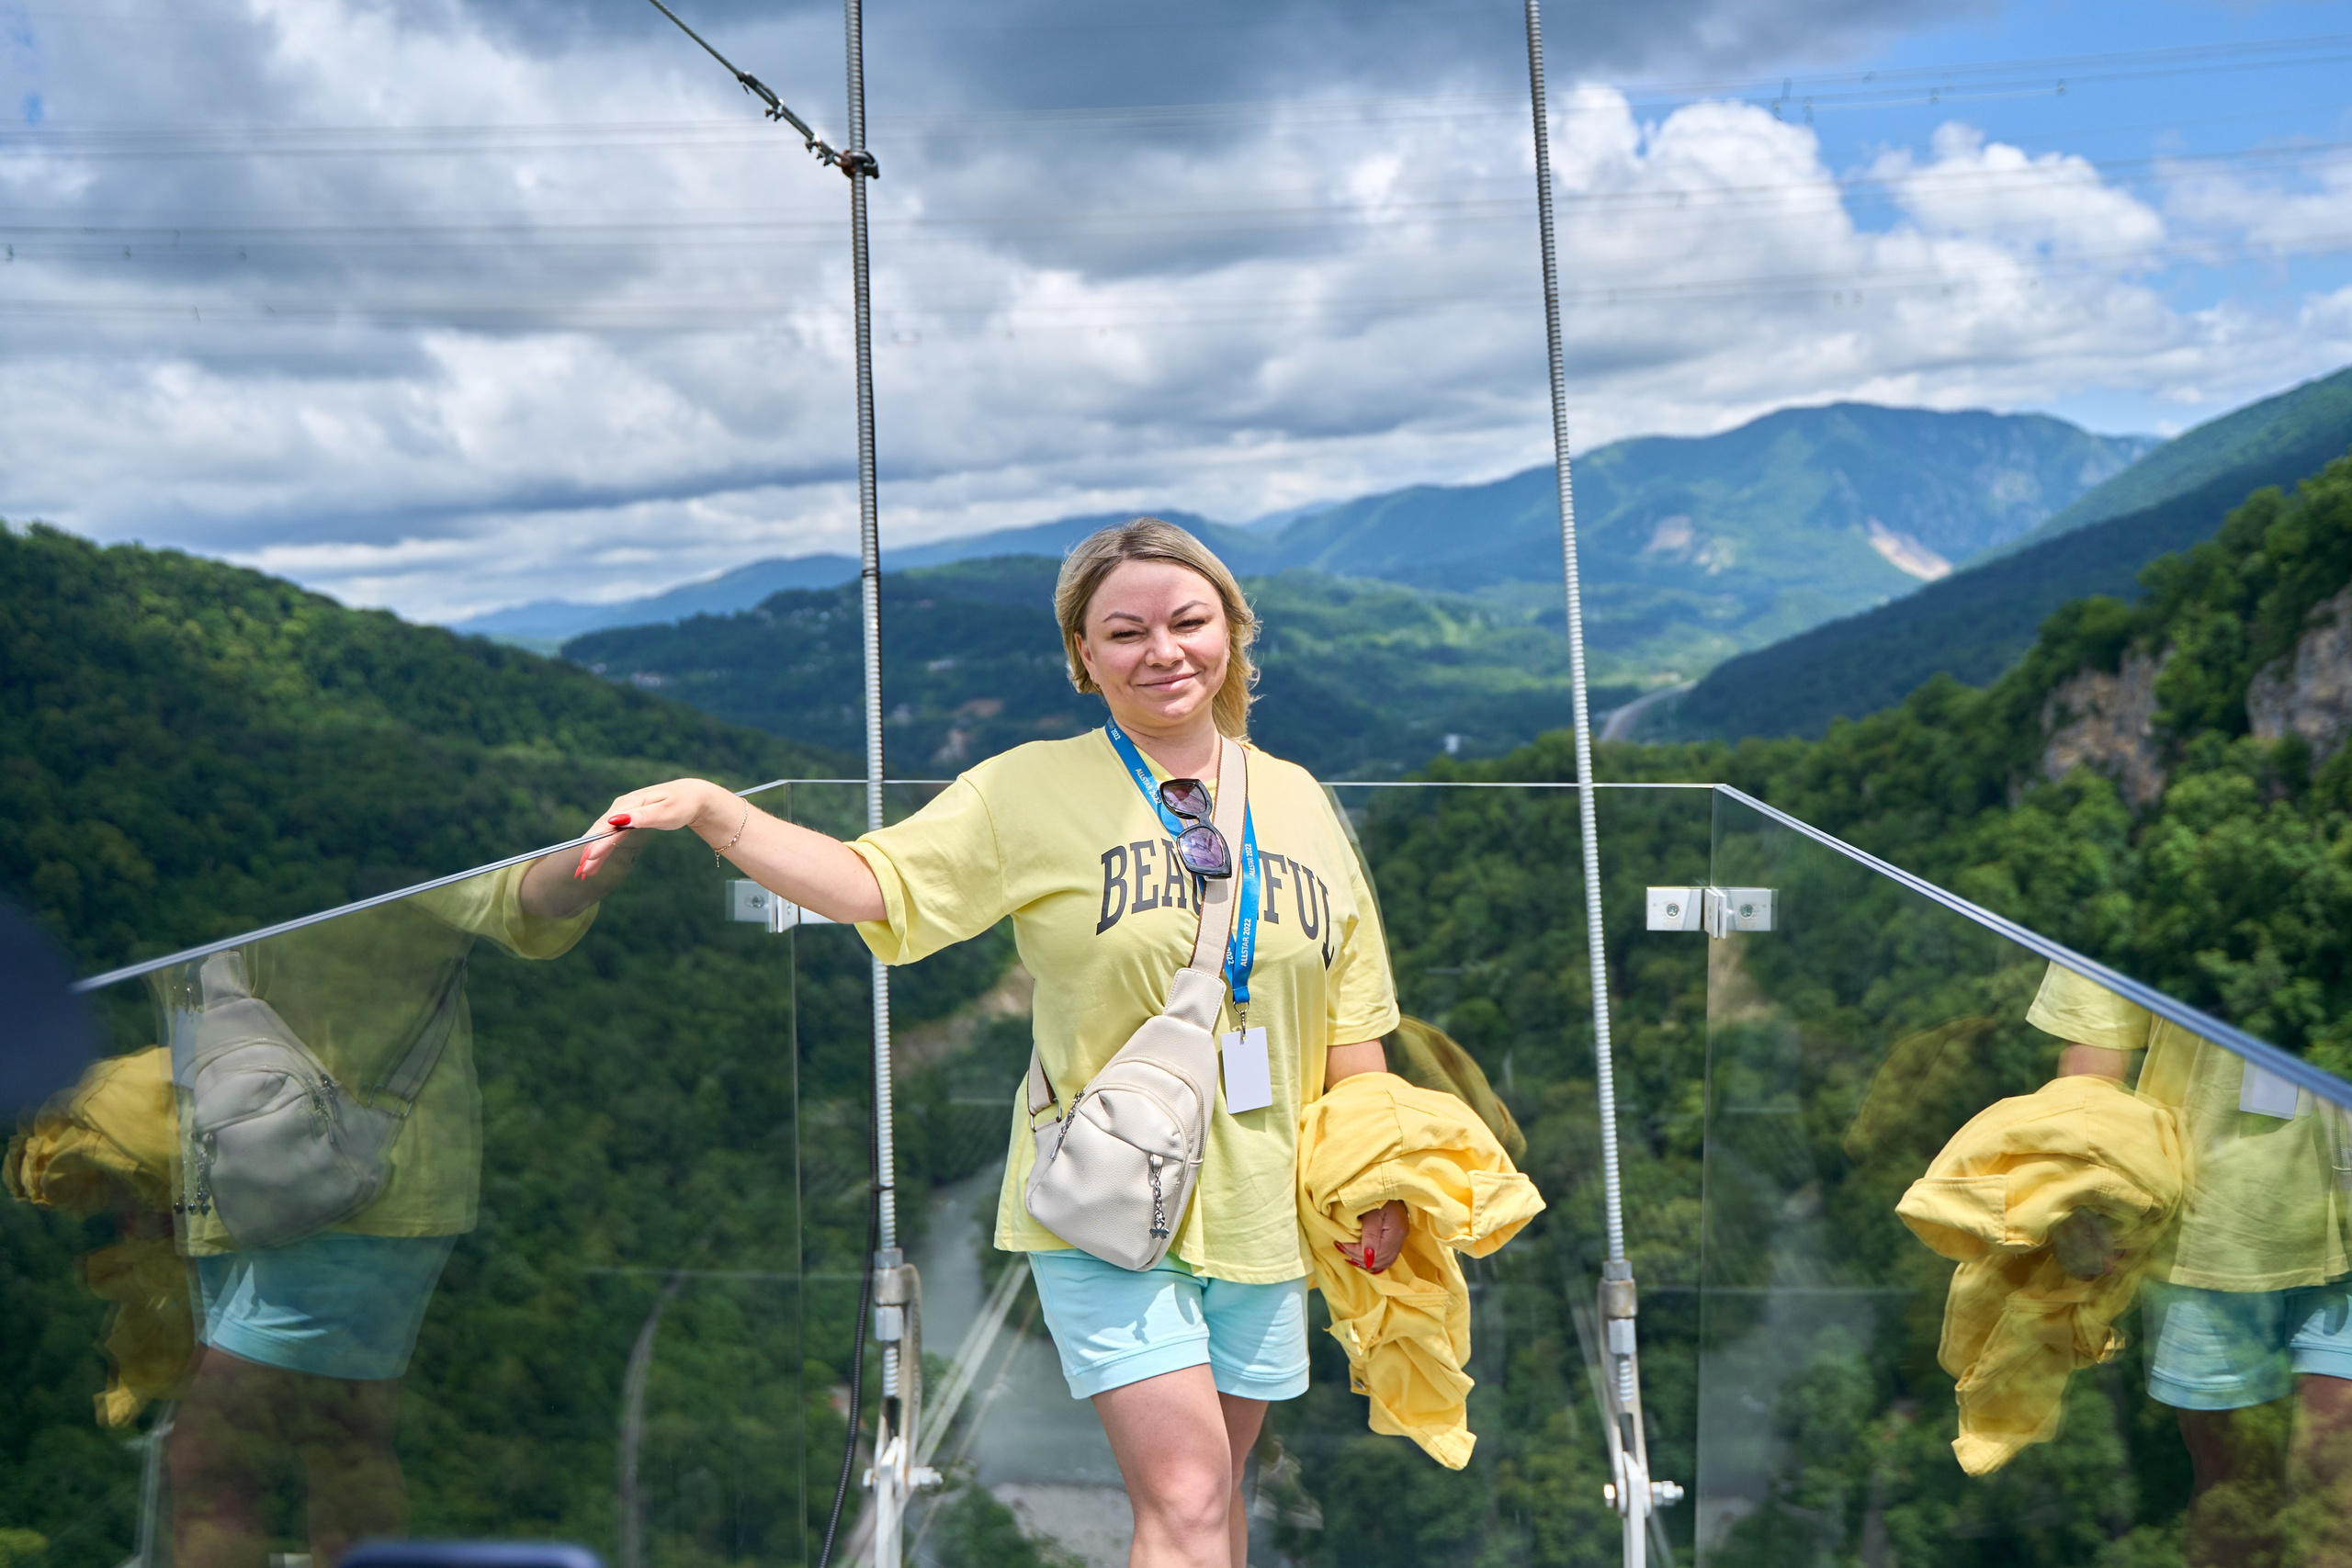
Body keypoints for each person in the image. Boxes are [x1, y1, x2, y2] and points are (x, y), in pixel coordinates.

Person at [581, 517, 1407, 1568]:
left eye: (1189, 621)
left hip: (1265, 1201)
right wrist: (713, 811)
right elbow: (872, 884)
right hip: (1108, 1200)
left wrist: (1374, 1182)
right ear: (1083, 657)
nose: (1163, 651)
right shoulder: (1027, 789)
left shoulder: (1299, 798)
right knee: (1189, 1499)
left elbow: (1352, 1020)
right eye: (1125, 632)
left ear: (1234, 633)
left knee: (1216, 1499)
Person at [161, 826, 645, 1568]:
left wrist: (609, 843)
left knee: (211, 1458)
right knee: (343, 1442)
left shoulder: (380, 824)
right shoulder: (236, 809)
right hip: (254, 1182)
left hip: (346, 1193)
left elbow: (527, 892)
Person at [2035, 961, 2352, 1565]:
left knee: (2336, 1494)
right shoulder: (2141, 878)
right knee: (2234, 1498)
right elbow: (2095, 1050)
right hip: (2209, 1223)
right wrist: (2077, 1189)